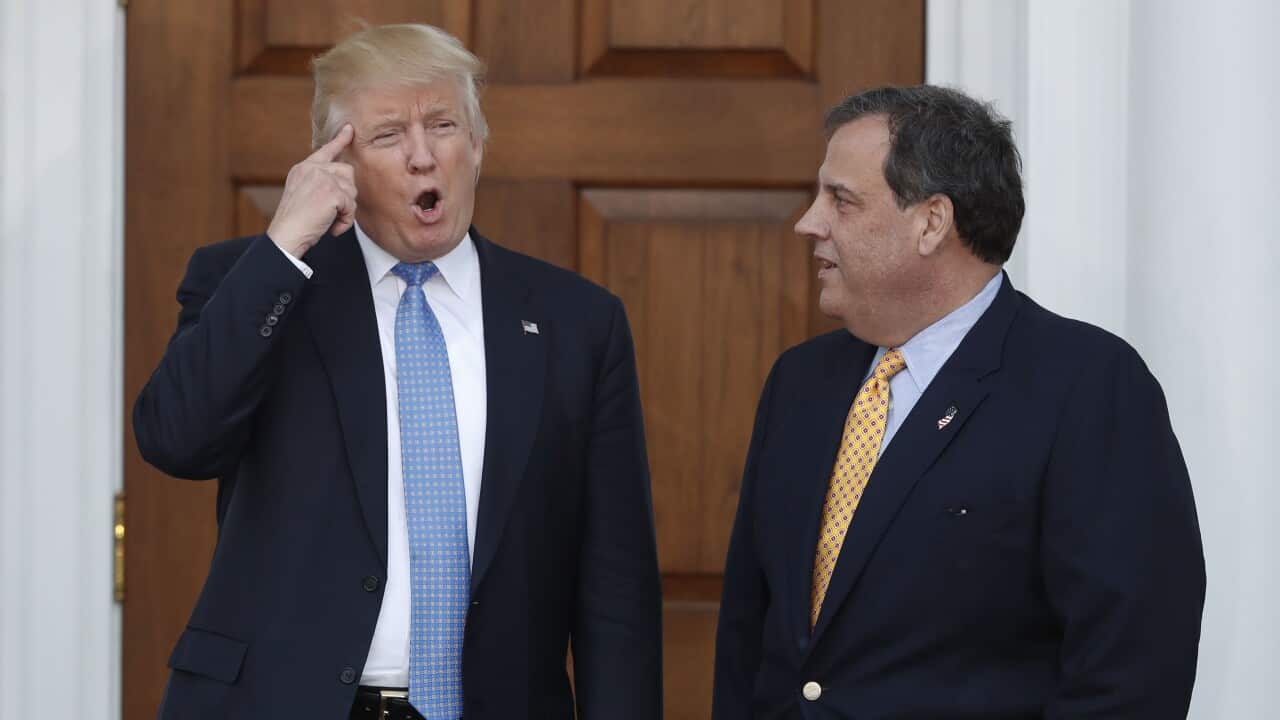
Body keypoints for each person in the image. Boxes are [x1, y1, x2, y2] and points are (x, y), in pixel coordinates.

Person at [134, 23, 661, 720]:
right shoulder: (260, 283)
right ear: (337, 164)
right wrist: (284, 246)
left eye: (443, 125)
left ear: (477, 145)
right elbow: (176, 438)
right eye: (387, 136)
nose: (422, 156)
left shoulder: (578, 323)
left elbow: (617, 589)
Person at [712, 85, 1205, 719]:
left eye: (841, 199)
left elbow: (1132, 667)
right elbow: (749, 633)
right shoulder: (800, 382)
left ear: (931, 222)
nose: (809, 222)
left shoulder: (1086, 386)